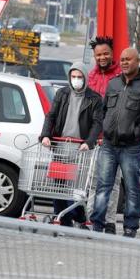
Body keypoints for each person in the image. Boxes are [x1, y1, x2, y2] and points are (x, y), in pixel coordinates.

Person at [92, 48, 140, 237]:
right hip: (108, 145)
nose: (124, 62)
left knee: (132, 188)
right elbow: (103, 110)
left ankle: (130, 227)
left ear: (138, 61)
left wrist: (136, 131)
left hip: (131, 147)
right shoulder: (113, 84)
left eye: (128, 59)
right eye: (122, 59)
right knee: (103, 186)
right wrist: (105, 126)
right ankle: (97, 225)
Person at [39, 62, 104, 227]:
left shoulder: (94, 99)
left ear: (85, 78)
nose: (76, 80)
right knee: (59, 187)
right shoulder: (62, 94)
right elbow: (51, 116)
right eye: (73, 77)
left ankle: (79, 215)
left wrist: (89, 142)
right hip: (61, 146)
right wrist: (46, 135)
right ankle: (63, 220)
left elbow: (97, 123)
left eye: (79, 77)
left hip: (80, 150)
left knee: (75, 190)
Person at [87, 35, 122, 234]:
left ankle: (109, 221)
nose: (102, 57)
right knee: (93, 181)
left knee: (113, 182)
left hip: (114, 138)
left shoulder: (120, 76)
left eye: (105, 54)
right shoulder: (91, 76)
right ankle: (93, 217)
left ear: (112, 54)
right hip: (94, 137)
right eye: (98, 54)